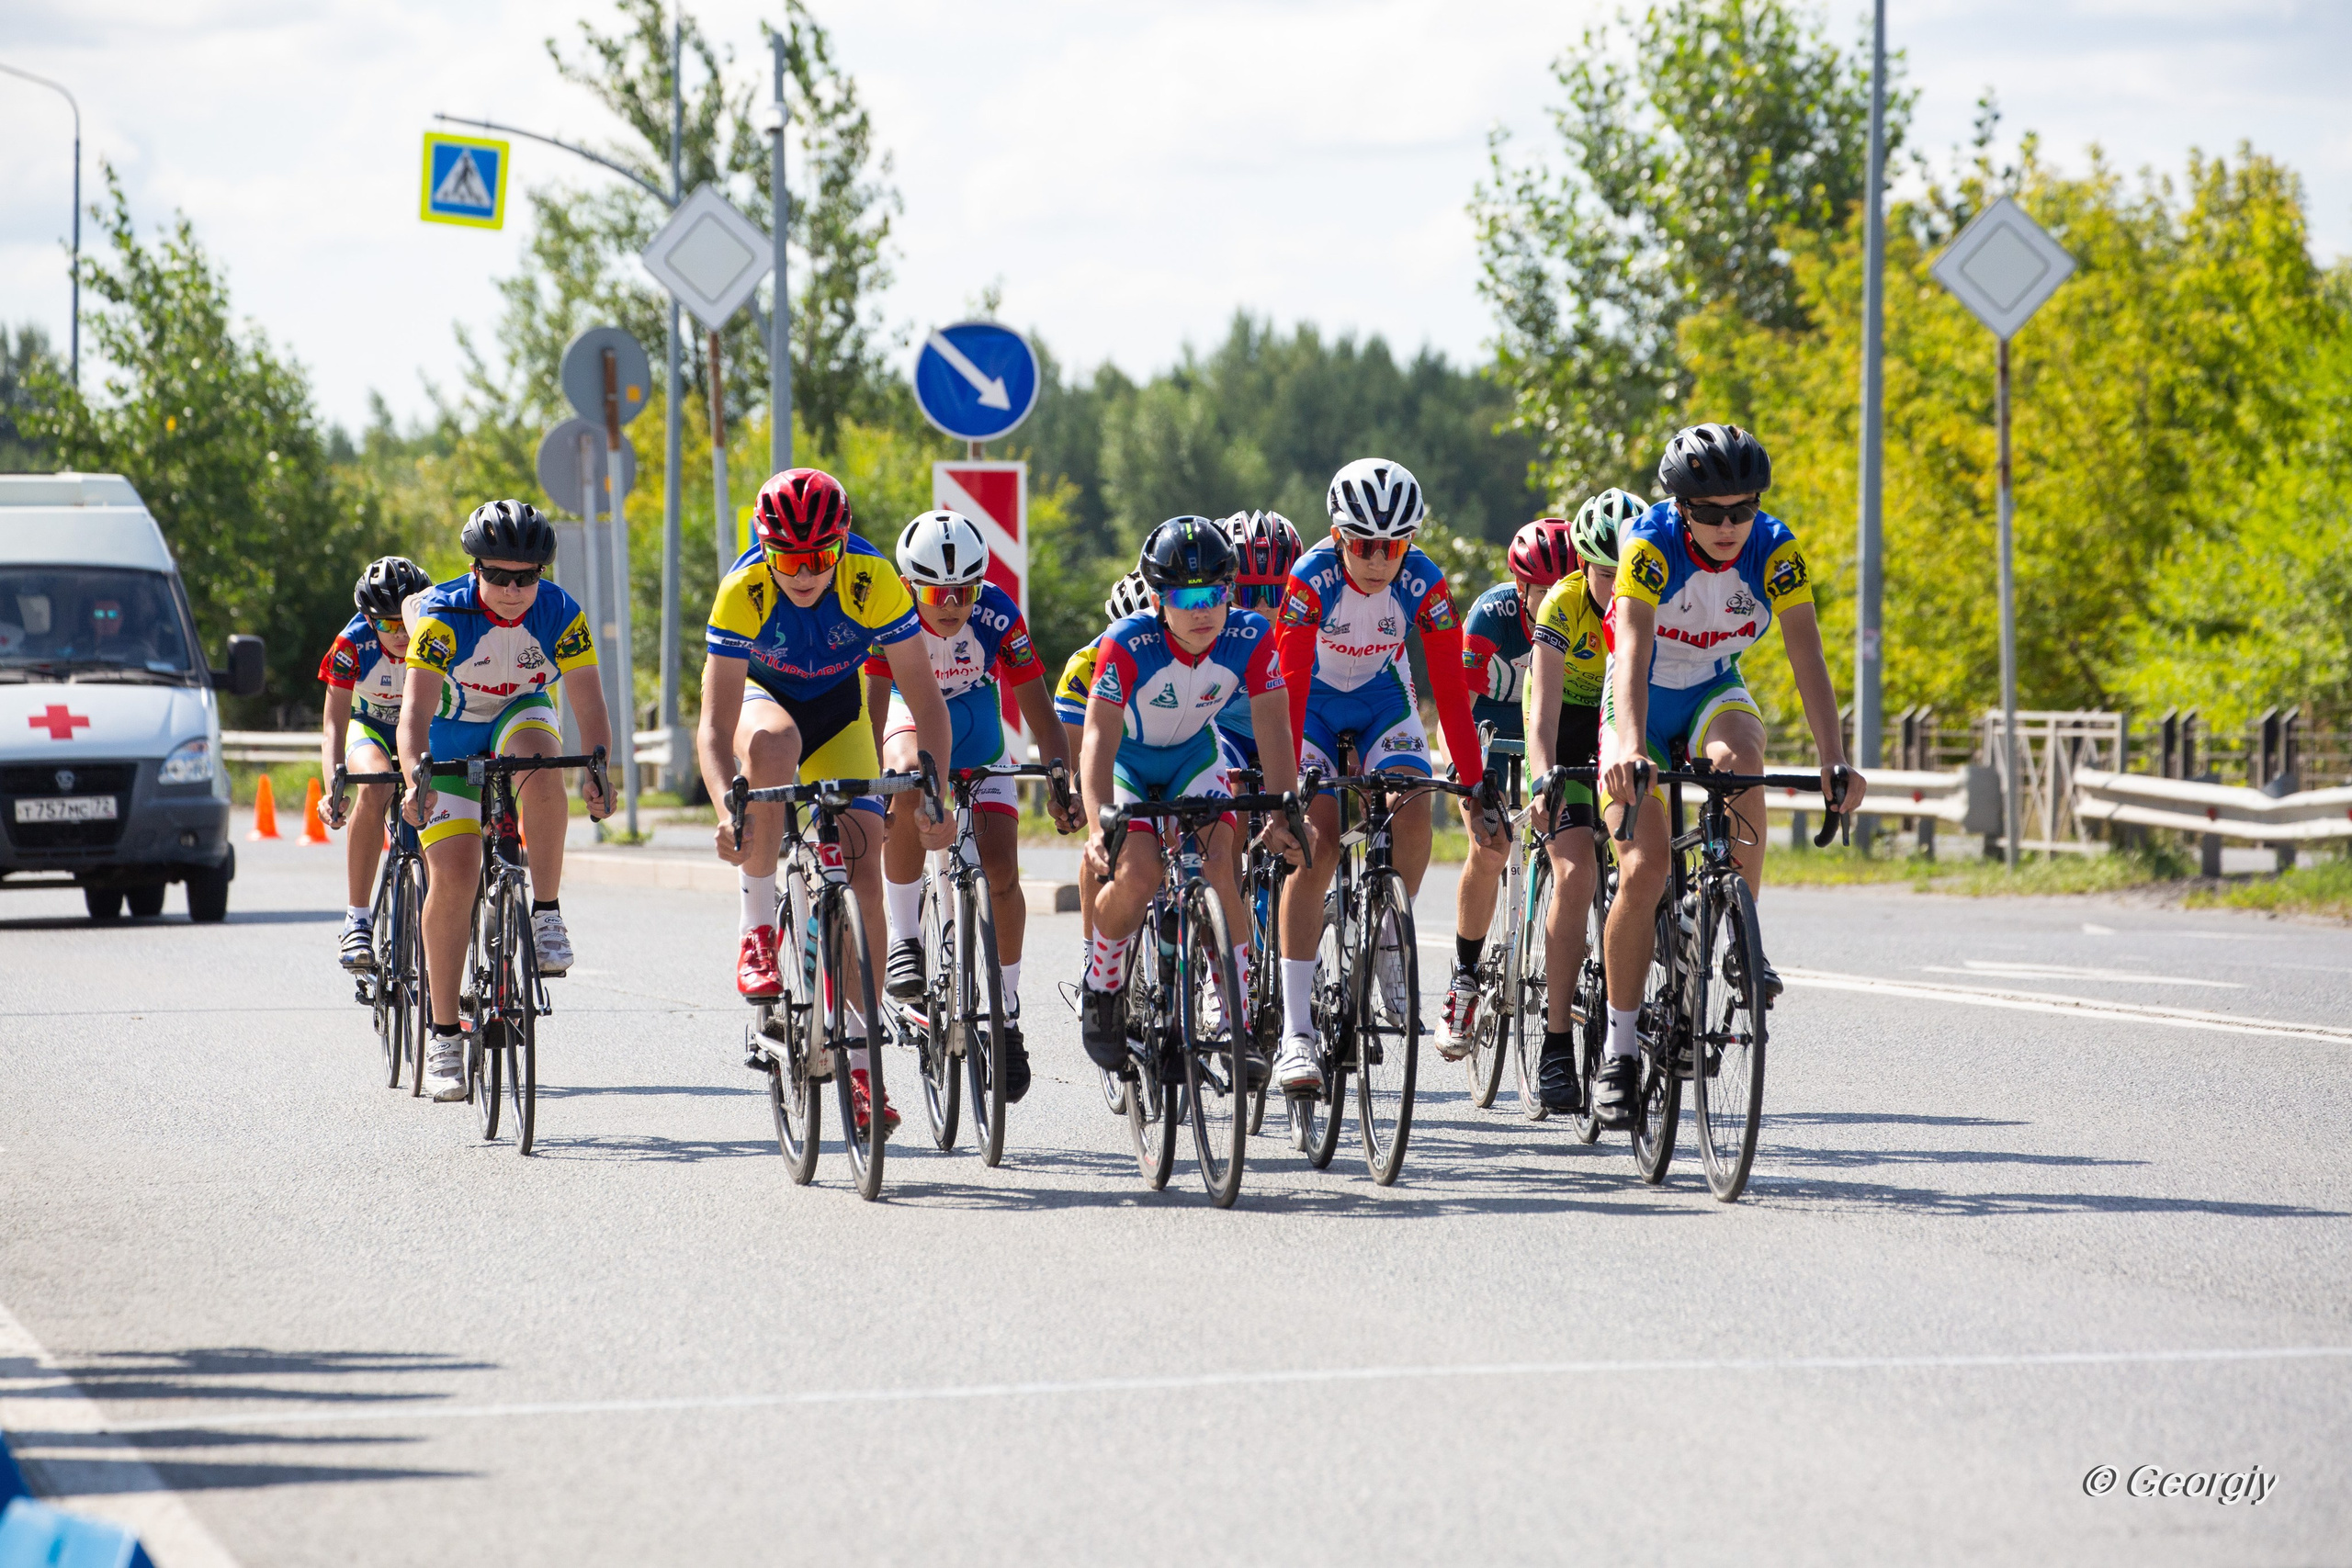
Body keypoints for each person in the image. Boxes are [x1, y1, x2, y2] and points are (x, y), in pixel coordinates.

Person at [1594, 423, 1867, 1126]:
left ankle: (1739, 930)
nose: (1727, 526)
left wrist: (1834, 757)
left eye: (1742, 509)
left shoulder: (1775, 550)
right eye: (1711, 512)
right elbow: (1631, 649)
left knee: (1744, 754)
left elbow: (1807, 655)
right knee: (1645, 868)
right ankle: (1619, 1049)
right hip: (1641, 695)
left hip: (1714, 686)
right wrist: (1630, 745)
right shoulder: (1649, 545)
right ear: (1681, 507)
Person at [696, 468, 956, 1141]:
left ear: (842, 545)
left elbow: (926, 701)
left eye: (820, 556)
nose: (806, 572)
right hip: (764, 706)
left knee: (865, 882)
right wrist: (727, 811)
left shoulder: (874, 579)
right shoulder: (743, 591)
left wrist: (934, 792)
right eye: (789, 559)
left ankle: (865, 1069)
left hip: (840, 715)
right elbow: (714, 728)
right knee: (774, 746)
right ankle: (757, 930)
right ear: (765, 549)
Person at [1270, 457, 1502, 1094]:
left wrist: (1475, 782)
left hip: (1382, 700)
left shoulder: (1425, 583)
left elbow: (1449, 691)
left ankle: (1391, 938)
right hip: (1312, 706)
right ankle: (1296, 1033)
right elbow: (1289, 688)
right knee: (1316, 842)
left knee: (1414, 804)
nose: (1378, 559)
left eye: (1393, 546)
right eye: (1364, 544)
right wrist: (1286, 788)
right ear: (1338, 536)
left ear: (1410, 542)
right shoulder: (1309, 580)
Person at [399, 502, 614, 1102]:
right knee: (455, 875)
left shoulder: (560, 613)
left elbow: (589, 703)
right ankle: (445, 1035)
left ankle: (545, 912)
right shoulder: (443, 616)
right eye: (499, 576)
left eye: (527, 577)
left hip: (520, 712)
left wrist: (598, 769)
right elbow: (413, 714)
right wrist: (416, 778)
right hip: (450, 731)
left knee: (542, 766)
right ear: (475, 569)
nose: (514, 591)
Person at [865, 509, 1078, 1103]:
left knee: (1002, 872)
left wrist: (1061, 782)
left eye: (967, 590)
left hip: (975, 723)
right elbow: (875, 710)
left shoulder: (998, 615)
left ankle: (1005, 1014)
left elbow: (1041, 714)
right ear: (909, 585)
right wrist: (873, 790)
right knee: (908, 774)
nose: (954, 604)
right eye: (939, 592)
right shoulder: (889, 614)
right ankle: (906, 937)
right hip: (909, 714)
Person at [1076, 518, 1299, 1074]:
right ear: (1159, 600)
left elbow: (1274, 726)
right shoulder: (1127, 642)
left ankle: (1235, 1020)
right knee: (1140, 872)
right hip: (1129, 761)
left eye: (1215, 595)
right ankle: (1103, 979)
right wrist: (1097, 827)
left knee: (1220, 862)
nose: (1204, 612)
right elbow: (1097, 738)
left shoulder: (1251, 635)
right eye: (1187, 598)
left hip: (1193, 756)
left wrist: (1283, 808)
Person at [1521, 489, 1645, 1110]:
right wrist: (1543, 776)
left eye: (1626, 573)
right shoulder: (1564, 605)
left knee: (1643, 864)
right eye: (1604, 574)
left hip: (1618, 724)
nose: (1616, 587)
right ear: (1583, 566)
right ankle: (1555, 1043)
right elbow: (1541, 713)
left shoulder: (1649, 600)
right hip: (1566, 727)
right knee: (1574, 874)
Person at [1439, 515, 1577, 1059]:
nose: (1555, 601)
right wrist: (1466, 778)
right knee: (1491, 848)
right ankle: (1464, 978)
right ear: (1521, 588)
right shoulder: (1491, 616)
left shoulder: (1584, 610)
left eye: (1564, 587)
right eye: (1543, 592)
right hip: (1491, 731)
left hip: (1552, 729)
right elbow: (1458, 707)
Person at [318, 556, 430, 970]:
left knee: (439, 790)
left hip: (424, 727)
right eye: (386, 624)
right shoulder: (351, 645)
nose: (399, 633)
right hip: (371, 727)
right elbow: (334, 724)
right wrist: (333, 789)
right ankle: (358, 919)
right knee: (378, 782)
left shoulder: (438, 632)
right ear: (368, 619)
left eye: (405, 622)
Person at [1051, 570, 1152, 942]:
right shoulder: (1085, 666)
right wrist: (1074, 797)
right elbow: (1076, 752)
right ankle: (1090, 953)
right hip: (1115, 759)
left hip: (1169, 753)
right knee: (1102, 843)